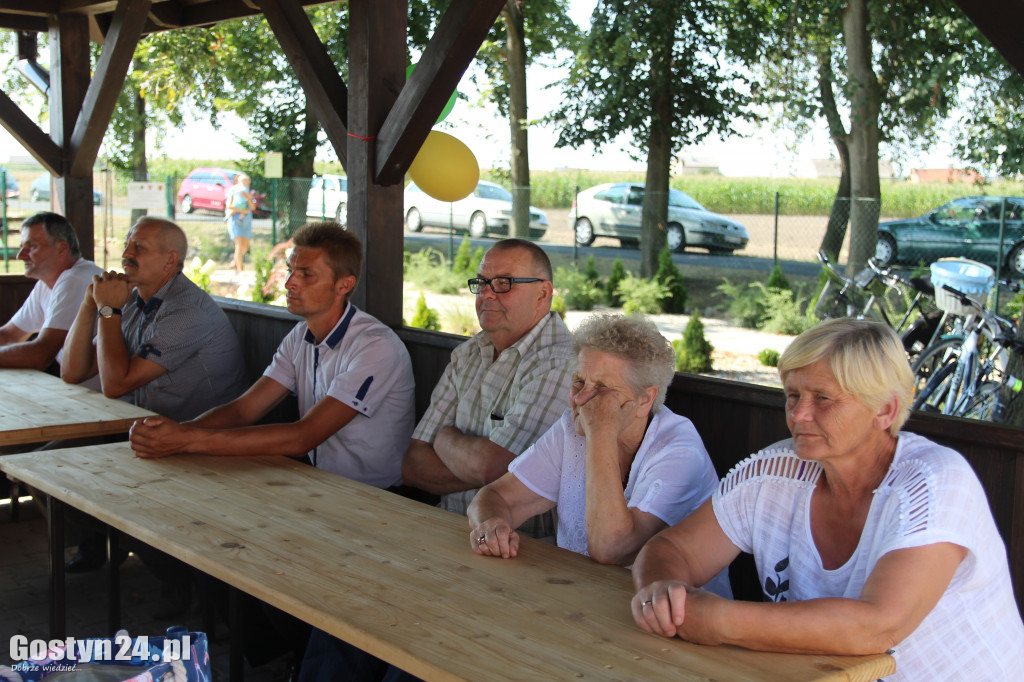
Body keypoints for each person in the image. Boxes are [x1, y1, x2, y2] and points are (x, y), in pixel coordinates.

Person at [630, 318, 1024, 680]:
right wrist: (662, 594)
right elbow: (672, 549)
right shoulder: (774, 472)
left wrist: (721, 621)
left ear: (885, 410)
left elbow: (878, 627)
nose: (799, 415)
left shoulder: (935, 482)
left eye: (823, 399)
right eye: (792, 395)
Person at [128, 220, 416, 491]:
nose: (290, 282)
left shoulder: (375, 346)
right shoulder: (299, 336)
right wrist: (171, 434)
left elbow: (303, 437)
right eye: (291, 270)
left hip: (380, 497)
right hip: (319, 485)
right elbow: (244, 409)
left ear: (344, 285)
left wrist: (186, 440)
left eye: (306, 274)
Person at [468, 314, 730, 594]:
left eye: (602, 389)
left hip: (673, 621)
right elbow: (495, 498)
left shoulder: (678, 450)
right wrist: (491, 525)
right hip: (580, 598)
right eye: (579, 381)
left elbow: (612, 548)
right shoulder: (572, 428)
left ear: (644, 400)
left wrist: (601, 433)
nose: (581, 400)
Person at [59, 216, 248, 578]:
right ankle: (125, 553)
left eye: (139, 248)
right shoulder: (132, 301)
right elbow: (72, 371)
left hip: (200, 442)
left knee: (88, 481)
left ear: (170, 261)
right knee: (55, 468)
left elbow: (116, 384)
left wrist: (108, 310)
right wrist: (90, 304)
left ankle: (178, 583)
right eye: (127, 244)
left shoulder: (187, 311)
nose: (126, 254)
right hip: (148, 435)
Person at [401, 238, 574, 539]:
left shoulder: (561, 362)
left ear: (543, 293)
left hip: (523, 550)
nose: (488, 294)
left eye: (504, 283)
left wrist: (443, 440)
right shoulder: (467, 354)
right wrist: (490, 477)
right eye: (482, 283)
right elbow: (414, 465)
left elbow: (495, 467)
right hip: (447, 531)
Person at [0, 212, 101, 371]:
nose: (20, 256)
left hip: (100, 395)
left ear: (61, 248)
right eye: (21, 247)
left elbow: (41, 355)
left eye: (31, 246)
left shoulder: (75, 279)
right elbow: (8, 336)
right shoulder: (46, 284)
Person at [225, 173, 256, 275]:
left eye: (248, 180)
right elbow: (229, 206)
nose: (246, 182)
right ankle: (240, 270)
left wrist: (248, 198)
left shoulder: (247, 193)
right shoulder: (233, 191)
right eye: (244, 180)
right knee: (238, 244)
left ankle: (235, 261)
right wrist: (241, 210)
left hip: (246, 221)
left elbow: (253, 207)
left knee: (245, 246)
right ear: (239, 181)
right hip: (235, 219)